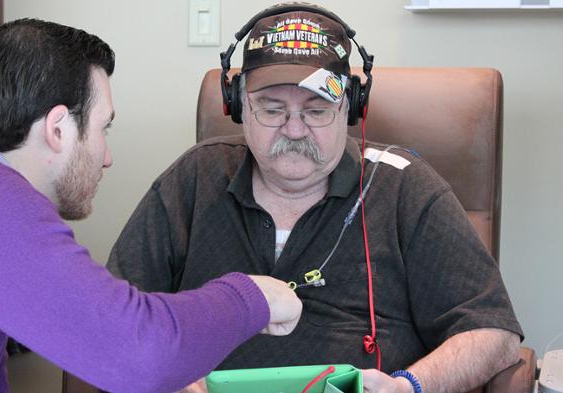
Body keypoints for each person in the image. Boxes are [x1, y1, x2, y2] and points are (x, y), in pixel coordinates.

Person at [107, 4, 523, 392]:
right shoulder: (194, 178)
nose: (293, 130)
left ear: (351, 107)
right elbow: (111, 318)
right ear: (237, 106)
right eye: (272, 110)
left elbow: (494, 333)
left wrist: (405, 386)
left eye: (316, 110)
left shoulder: (406, 188)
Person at [0, 19, 303, 393]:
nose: (107, 156)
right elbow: (139, 352)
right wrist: (254, 298)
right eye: (104, 127)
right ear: (58, 128)